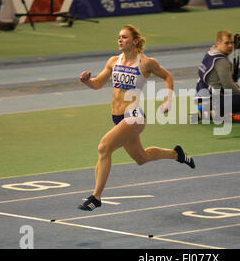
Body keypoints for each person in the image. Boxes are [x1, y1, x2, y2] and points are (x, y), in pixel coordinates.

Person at [78, 24, 195, 211]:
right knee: (141, 158)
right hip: (117, 118)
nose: (120, 40)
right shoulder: (113, 61)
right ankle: (176, 154)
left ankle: (96, 197)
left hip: (134, 116)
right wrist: (87, 82)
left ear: (135, 41)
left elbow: (168, 76)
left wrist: (168, 99)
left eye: (124, 37)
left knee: (104, 147)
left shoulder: (145, 63)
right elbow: (98, 83)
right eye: (119, 37)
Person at [195, 30, 240, 116]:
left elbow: (234, 76)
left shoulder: (211, 52)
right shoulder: (221, 60)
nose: (230, 46)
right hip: (217, 101)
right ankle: (216, 111)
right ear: (218, 43)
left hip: (203, 99)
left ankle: (209, 110)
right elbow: (228, 85)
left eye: (232, 43)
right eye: (226, 43)